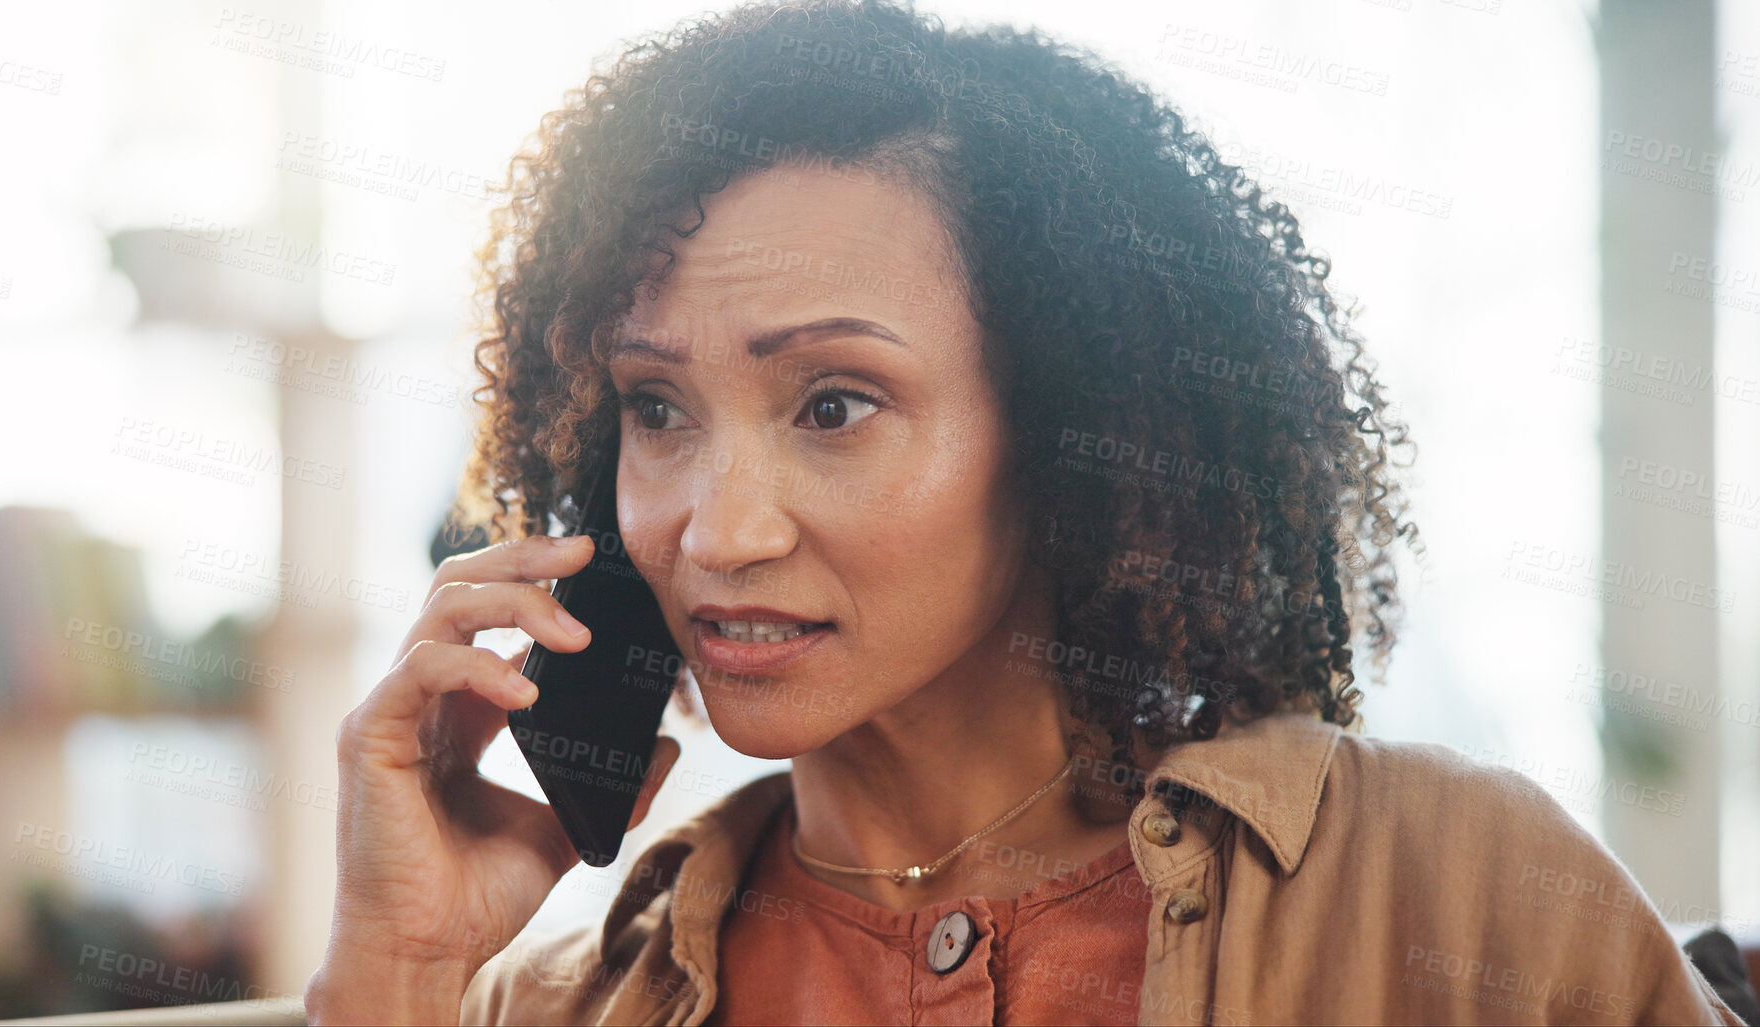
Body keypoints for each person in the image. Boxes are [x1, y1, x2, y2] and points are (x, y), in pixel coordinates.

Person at [303, 1, 1746, 1023]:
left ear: (1073, 430)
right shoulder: (566, 1001)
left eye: (833, 405)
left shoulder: (1451, 890)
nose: (716, 530)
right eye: (657, 410)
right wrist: (408, 978)